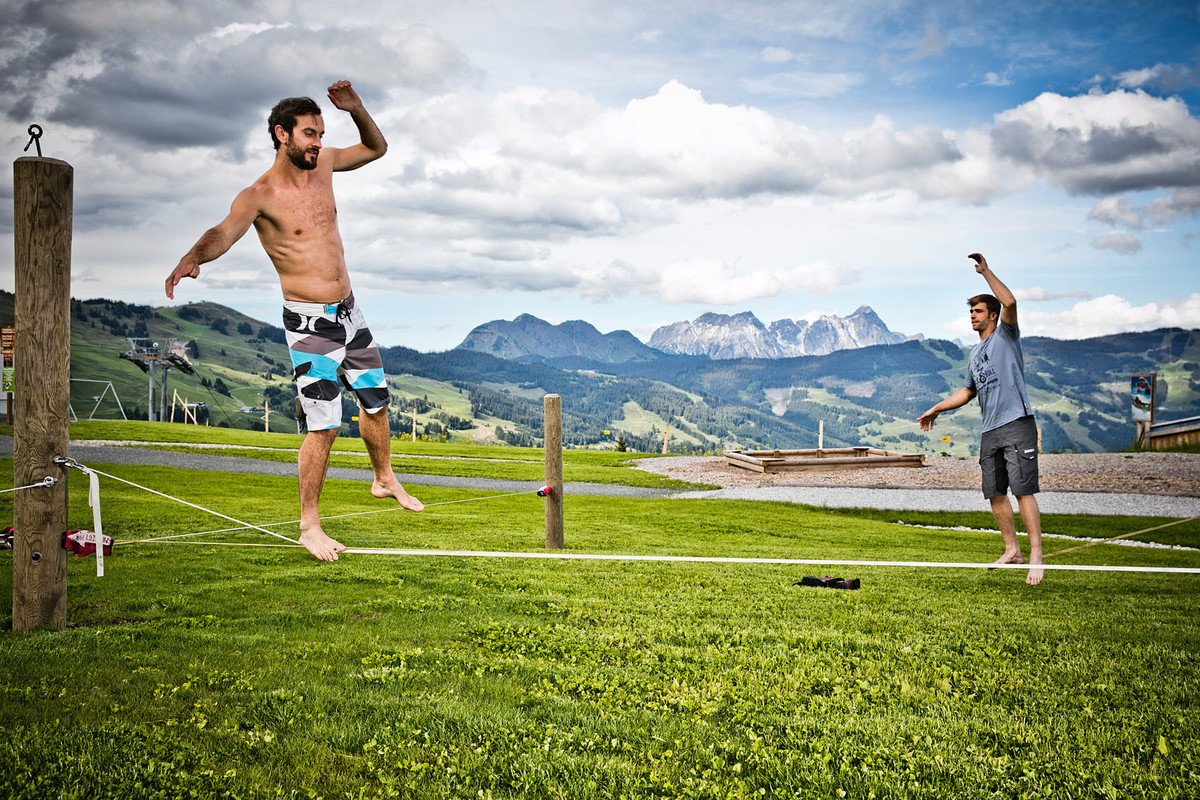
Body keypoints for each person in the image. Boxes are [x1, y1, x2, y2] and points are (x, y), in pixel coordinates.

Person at [165, 80, 423, 562]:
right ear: (282, 135)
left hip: (350, 311)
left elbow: (376, 147)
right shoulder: (259, 195)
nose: (318, 143)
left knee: (376, 401)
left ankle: (383, 478)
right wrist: (193, 257)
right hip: (309, 323)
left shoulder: (324, 166)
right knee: (324, 425)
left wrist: (356, 108)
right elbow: (223, 231)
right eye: (309, 134)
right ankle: (309, 526)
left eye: (321, 133)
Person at [917, 253, 1044, 586]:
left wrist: (986, 272)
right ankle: (1011, 549)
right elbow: (967, 391)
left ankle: (1035, 555)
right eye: (970, 311)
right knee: (994, 491)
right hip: (991, 429)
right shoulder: (974, 355)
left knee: (1023, 489)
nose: (972, 316)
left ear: (993, 315)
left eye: (977, 311)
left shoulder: (1006, 336)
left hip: (1017, 421)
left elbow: (1011, 300)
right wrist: (937, 408)